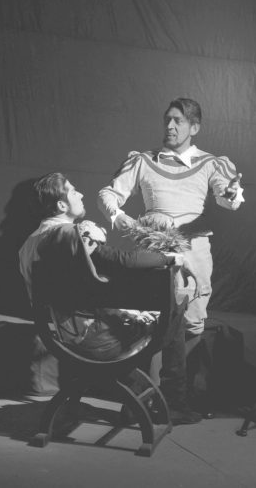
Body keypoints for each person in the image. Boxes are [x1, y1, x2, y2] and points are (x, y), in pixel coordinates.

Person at [19, 172, 205, 424]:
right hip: (96, 340)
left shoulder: (29, 244)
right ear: (61, 205)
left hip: (64, 336)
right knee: (174, 311)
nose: (81, 194)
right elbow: (121, 260)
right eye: (73, 191)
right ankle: (175, 404)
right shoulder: (72, 235)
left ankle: (136, 402)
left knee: (138, 315)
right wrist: (173, 258)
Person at [97, 98, 245, 363]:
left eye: (178, 121)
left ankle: (179, 387)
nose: (170, 126)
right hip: (153, 251)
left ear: (194, 128)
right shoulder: (143, 161)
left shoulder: (211, 164)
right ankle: (150, 386)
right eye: (167, 120)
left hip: (193, 252)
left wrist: (231, 193)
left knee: (191, 323)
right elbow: (107, 194)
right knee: (149, 321)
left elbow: (228, 198)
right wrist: (117, 216)